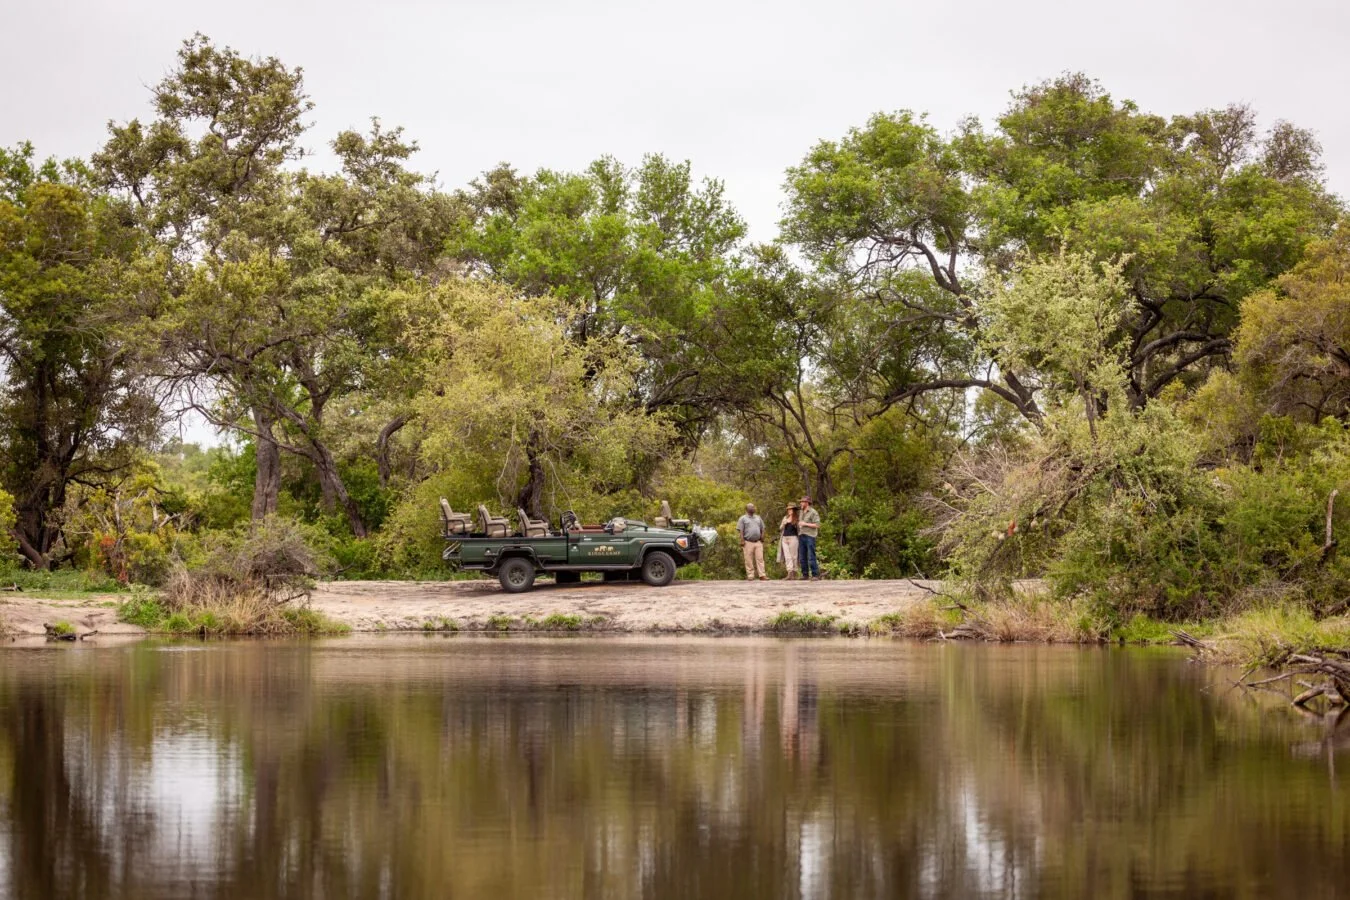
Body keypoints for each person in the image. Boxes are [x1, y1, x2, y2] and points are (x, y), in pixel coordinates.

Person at [737, 502, 768, 581]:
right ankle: (750, 575)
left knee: (760, 559)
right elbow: (741, 530)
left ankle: (762, 575)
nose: (754, 508)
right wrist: (742, 540)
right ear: (747, 509)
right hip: (748, 542)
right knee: (748, 559)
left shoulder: (758, 517)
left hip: (758, 542)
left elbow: (763, 527)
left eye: (754, 507)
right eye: (752, 507)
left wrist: (762, 536)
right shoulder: (743, 518)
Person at [797, 496, 821, 580]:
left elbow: (817, 525)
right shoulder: (801, 511)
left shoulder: (813, 512)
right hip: (801, 535)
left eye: (802, 502)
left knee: (811, 555)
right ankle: (805, 575)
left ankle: (815, 575)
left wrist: (805, 524)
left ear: (807, 503)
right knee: (802, 556)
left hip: (810, 536)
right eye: (801, 502)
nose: (801, 503)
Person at [777, 504, 801, 579]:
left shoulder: (797, 518)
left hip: (793, 538)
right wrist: (784, 523)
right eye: (788, 509)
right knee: (787, 556)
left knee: (794, 556)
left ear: (794, 510)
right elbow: (780, 528)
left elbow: (799, 528)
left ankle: (794, 572)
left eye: (791, 509)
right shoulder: (785, 517)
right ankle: (789, 572)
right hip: (784, 538)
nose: (789, 511)